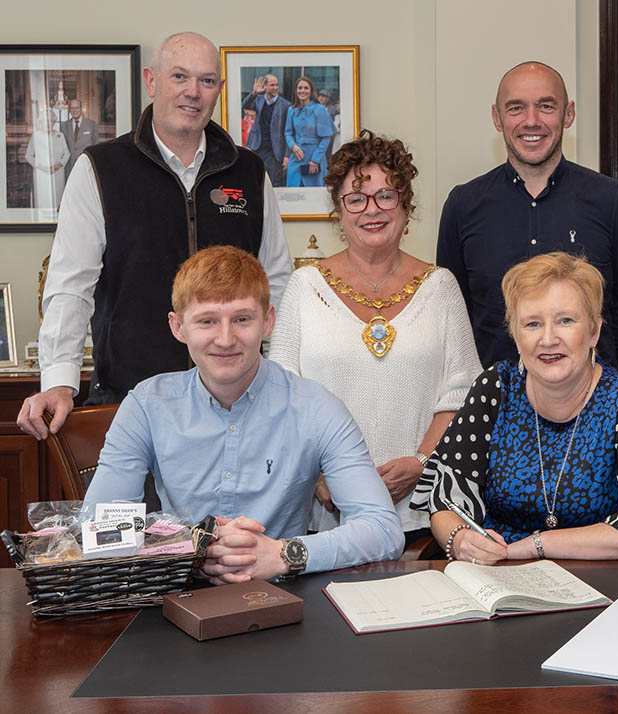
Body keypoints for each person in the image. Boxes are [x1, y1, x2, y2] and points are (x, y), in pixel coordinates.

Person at [17, 32, 291, 441]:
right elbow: (70, 286)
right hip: (132, 404)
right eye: (179, 76)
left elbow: (277, 282)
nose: (192, 93)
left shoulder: (249, 171)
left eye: (206, 81)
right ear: (151, 80)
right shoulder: (100, 168)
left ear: (219, 89)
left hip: (241, 410)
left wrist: (283, 377)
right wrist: (59, 379)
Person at [84, 246, 404, 582]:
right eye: (207, 321)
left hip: (284, 594)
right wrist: (192, 547)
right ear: (178, 327)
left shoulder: (317, 407)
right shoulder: (147, 405)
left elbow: (382, 530)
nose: (225, 339)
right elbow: (98, 531)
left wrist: (285, 553)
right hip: (175, 594)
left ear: (268, 322)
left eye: (241, 319)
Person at [411, 252, 618, 564]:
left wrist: (535, 545)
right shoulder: (495, 389)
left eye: (565, 321)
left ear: (594, 331)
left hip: (602, 579)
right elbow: (445, 501)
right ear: (516, 336)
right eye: (532, 324)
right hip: (499, 576)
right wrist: (461, 538)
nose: (548, 339)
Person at [270, 130, 481, 545]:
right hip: (326, 519)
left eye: (387, 195)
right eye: (356, 198)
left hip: (425, 517)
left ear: (406, 206)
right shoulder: (305, 286)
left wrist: (421, 463)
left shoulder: (440, 286)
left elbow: (463, 395)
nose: (372, 209)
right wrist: (316, 475)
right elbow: (280, 400)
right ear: (338, 208)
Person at [436, 61, 618, 371]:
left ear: (569, 114)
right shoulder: (463, 205)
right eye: (516, 108)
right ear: (497, 118)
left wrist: (589, 366)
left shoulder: (612, 201)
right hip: (496, 403)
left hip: (592, 399)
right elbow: (454, 312)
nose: (532, 121)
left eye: (546, 106)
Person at [284, 76, 334, 188]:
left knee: (314, 197)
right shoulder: (291, 110)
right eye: (300, 88)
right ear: (296, 91)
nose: (302, 91)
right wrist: (293, 146)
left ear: (311, 91)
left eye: (306, 88)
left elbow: (326, 138)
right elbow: (288, 133)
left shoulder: (320, 109)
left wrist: (315, 160)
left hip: (314, 158)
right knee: (293, 195)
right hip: (296, 157)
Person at [242, 74, 291, 186]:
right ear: (265, 87)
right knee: (255, 181)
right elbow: (245, 105)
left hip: (274, 151)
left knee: (273, 183)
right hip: (257, 147)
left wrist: (287, 155)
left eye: (277, 85)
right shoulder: (258, 100)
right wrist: (254, 93)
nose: (275, 88)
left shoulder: (285, 105)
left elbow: (287, 131)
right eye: (272, 85)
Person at [25, 109, 71, 210]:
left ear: (54, 122)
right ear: (41, 122)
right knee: (43, 198)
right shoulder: (36, 136)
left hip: (58, 172)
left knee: (57, 197)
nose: (49, 123)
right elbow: (28, 156)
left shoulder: (60, 135)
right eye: (46, 121)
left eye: (51, 120)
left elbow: (67, 154)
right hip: (41, 173)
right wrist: (42, 167)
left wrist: (59, 165)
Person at [60, 99, 100, 179]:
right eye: (72, 108)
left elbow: (95, 145)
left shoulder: (92, 124)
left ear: (81, 108)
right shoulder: (64, 126)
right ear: (69, 110)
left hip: (86, 164)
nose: (74, 110)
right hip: (69, 166)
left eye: (77, 108)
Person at [317, 89, 340, 164]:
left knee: (328, 156)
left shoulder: (332, 109)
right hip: (317, 136)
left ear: (328, 99)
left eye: (323, 96)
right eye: (320, 96)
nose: (321, 98)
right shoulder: (315, 108)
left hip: (329, 137)